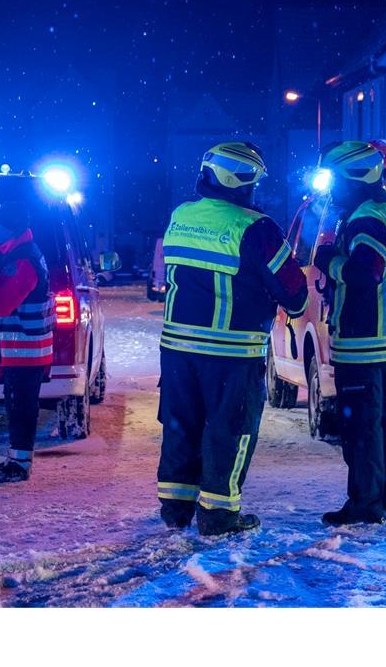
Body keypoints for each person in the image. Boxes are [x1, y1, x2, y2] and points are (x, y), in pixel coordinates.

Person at [157, 142, 308, 536]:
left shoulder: (181, 215)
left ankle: (175, 508)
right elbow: (294, 293)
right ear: (245, 183)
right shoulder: (256, 228)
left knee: (180, 425)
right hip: (231, 351)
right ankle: (219, 514)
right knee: (230, 429)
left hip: (176, 348)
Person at [312, 141, 386, 526]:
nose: (331, 190)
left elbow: (364, 274)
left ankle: (365, 505)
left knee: (361, 428)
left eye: (334, 180)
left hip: (363, 342)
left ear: (353, 178)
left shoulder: (366, 220)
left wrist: (330, 261)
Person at [0, 203, 54, 483]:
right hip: (26, 348)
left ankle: (20, 464)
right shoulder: (21, 252)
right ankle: (17, 460)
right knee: (18, 404)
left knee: (21, 405)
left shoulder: (22, 259)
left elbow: (2, 304)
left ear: (9, 227)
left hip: (25, 349)